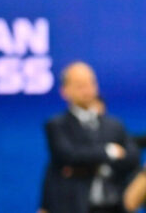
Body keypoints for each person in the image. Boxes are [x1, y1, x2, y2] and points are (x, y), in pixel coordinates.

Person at [41, 62, 139, 213]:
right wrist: (108, 152)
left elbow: (132, 157)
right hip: (74, 205)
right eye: (80, 85)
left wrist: (85, 165)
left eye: (90, 83)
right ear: (64, 91)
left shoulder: (114, 125)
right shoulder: (57, 125)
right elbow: (68, 156)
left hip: (113, 205)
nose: (87, 89)